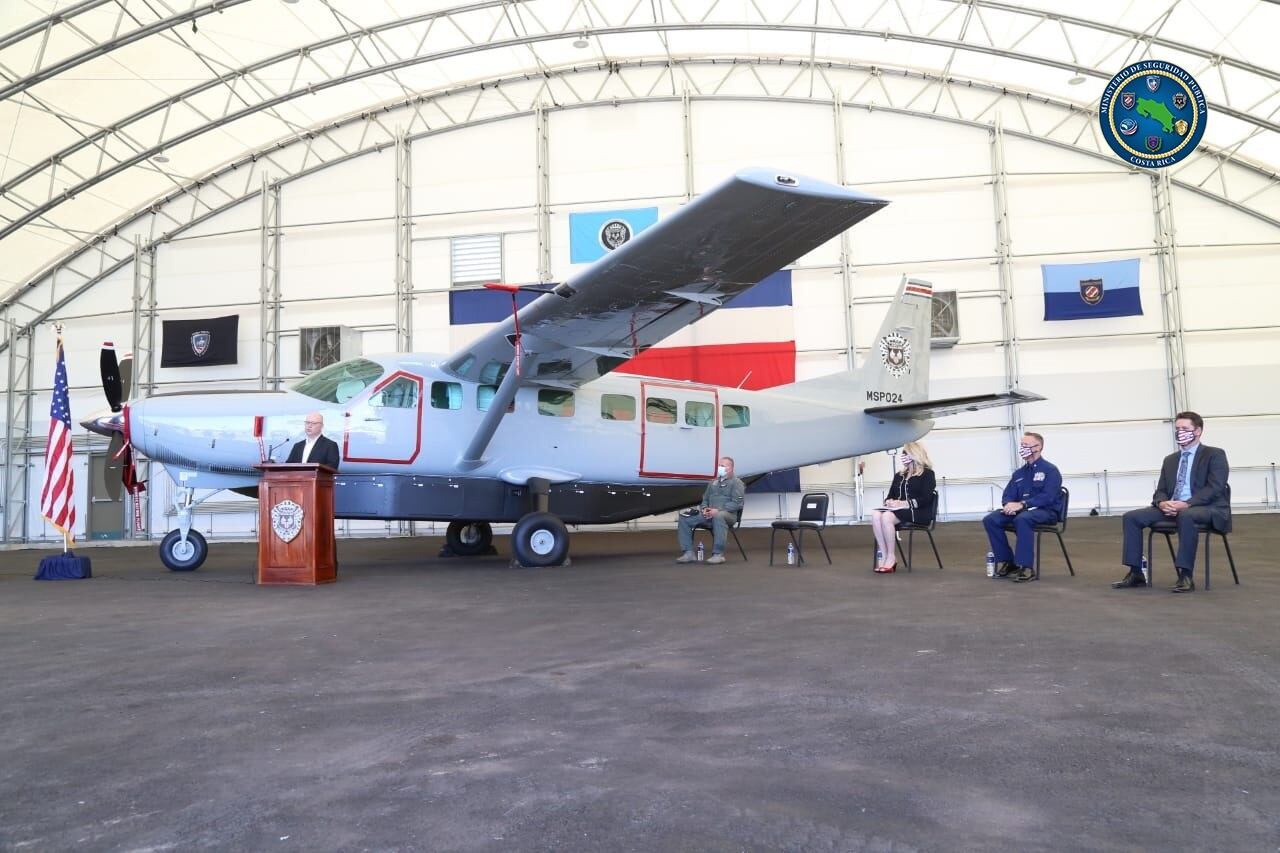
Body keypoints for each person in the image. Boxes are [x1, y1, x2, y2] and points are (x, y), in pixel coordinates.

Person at [1112, 412, 1229, 593]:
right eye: (1177, 429)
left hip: (1205, 508)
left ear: (1198, 431)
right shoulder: (1171, 460)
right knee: (1131, 517)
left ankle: (1185, 575)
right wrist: (1162, 503)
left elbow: (1215, 487)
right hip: (1173, 507)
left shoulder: (1214, 455)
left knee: (1186, 515)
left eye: (1185, 429)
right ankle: (1136, 572)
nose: (1180, 432)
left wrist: (1187, 503)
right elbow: (1161, 489)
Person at [982, 431, 1063, 583]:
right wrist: (1008, 505)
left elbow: (1048, 496)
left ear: (1038, 447)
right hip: (1021, 511)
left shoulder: (1050, 470)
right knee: (991, 519)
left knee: (1023, 518)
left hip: (1046, 512)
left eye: (1026, 445)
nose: (1022, 448)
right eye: (1021, 445)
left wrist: (1023, 504)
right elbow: (1008, 494)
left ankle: (1026, 567)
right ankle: (1008, 562)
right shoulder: (1019, 473)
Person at [870, 441, 936, 573]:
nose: (903, 457)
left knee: (887, 517)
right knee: (876, 514)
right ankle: (883, 554)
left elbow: (926, 499)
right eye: (903, 454)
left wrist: (904, 504)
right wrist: (889, 502)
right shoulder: (899, 476)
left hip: (919, 513)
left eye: (906, 454)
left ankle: (891, 557)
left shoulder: (927, 474)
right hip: (898, 512)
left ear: (915, 455)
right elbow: (890, 496)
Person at [676, 456, 745, 565]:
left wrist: (717, 510)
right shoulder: (713, 483)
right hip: (709, 514)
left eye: (723, 466)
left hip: (728, 515)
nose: (720, 468)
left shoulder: (737, 483)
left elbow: (737, 503)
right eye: (719, 465)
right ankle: (688, 553)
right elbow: (705, 500)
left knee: (719, 516)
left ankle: (718, 554)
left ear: (730, 468)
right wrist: (704, 509)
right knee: (684, 517)